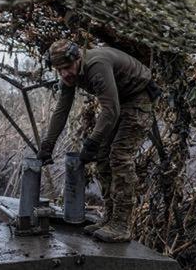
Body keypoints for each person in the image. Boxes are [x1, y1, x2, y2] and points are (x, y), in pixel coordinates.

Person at [37, 39, 160, 242]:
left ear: (78, 58)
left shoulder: (96, 65)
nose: (65, 74)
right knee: (102, 156)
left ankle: (121, 224)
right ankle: (110, 218)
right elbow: (61, 110)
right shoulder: (69, 76)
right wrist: (47, 145)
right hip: (119, 101)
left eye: (67, 68)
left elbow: (110, 110)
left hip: (138, 98)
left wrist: (91, 142)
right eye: (59, 70)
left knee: (119, 156)